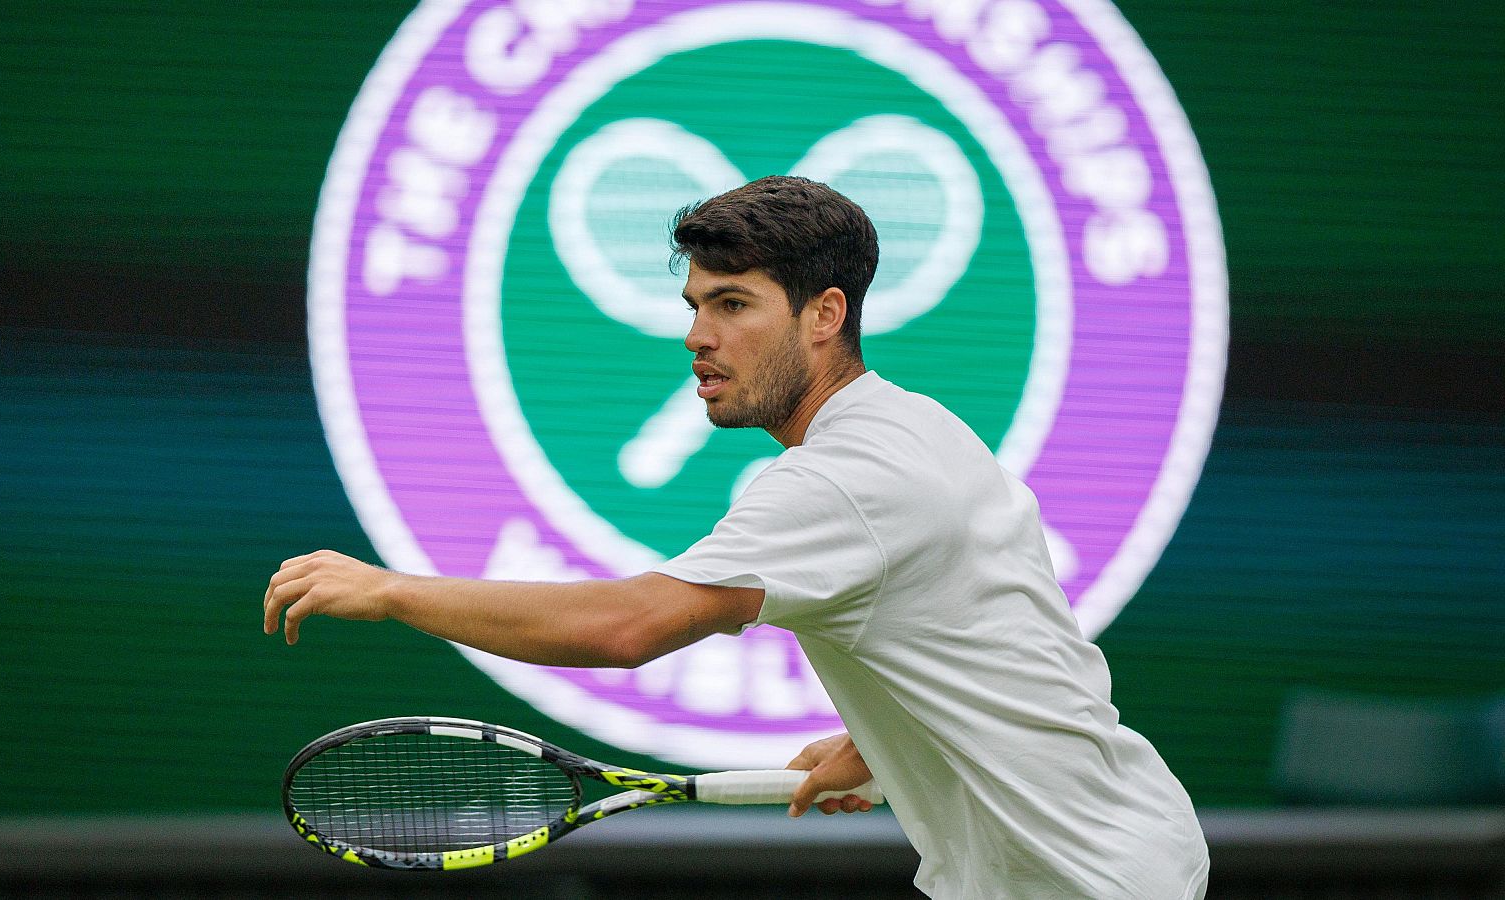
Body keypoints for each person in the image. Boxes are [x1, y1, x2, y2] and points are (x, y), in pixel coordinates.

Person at [263, 175, 1209, 899]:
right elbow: (1005, 631)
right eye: (695, 307)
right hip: (1112, 859)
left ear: (826, 314)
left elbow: (628, 626)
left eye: (734, 304)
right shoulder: (917, 426)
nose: (697, 336)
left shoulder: (843, 479)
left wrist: (391, 591)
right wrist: (893, 741)